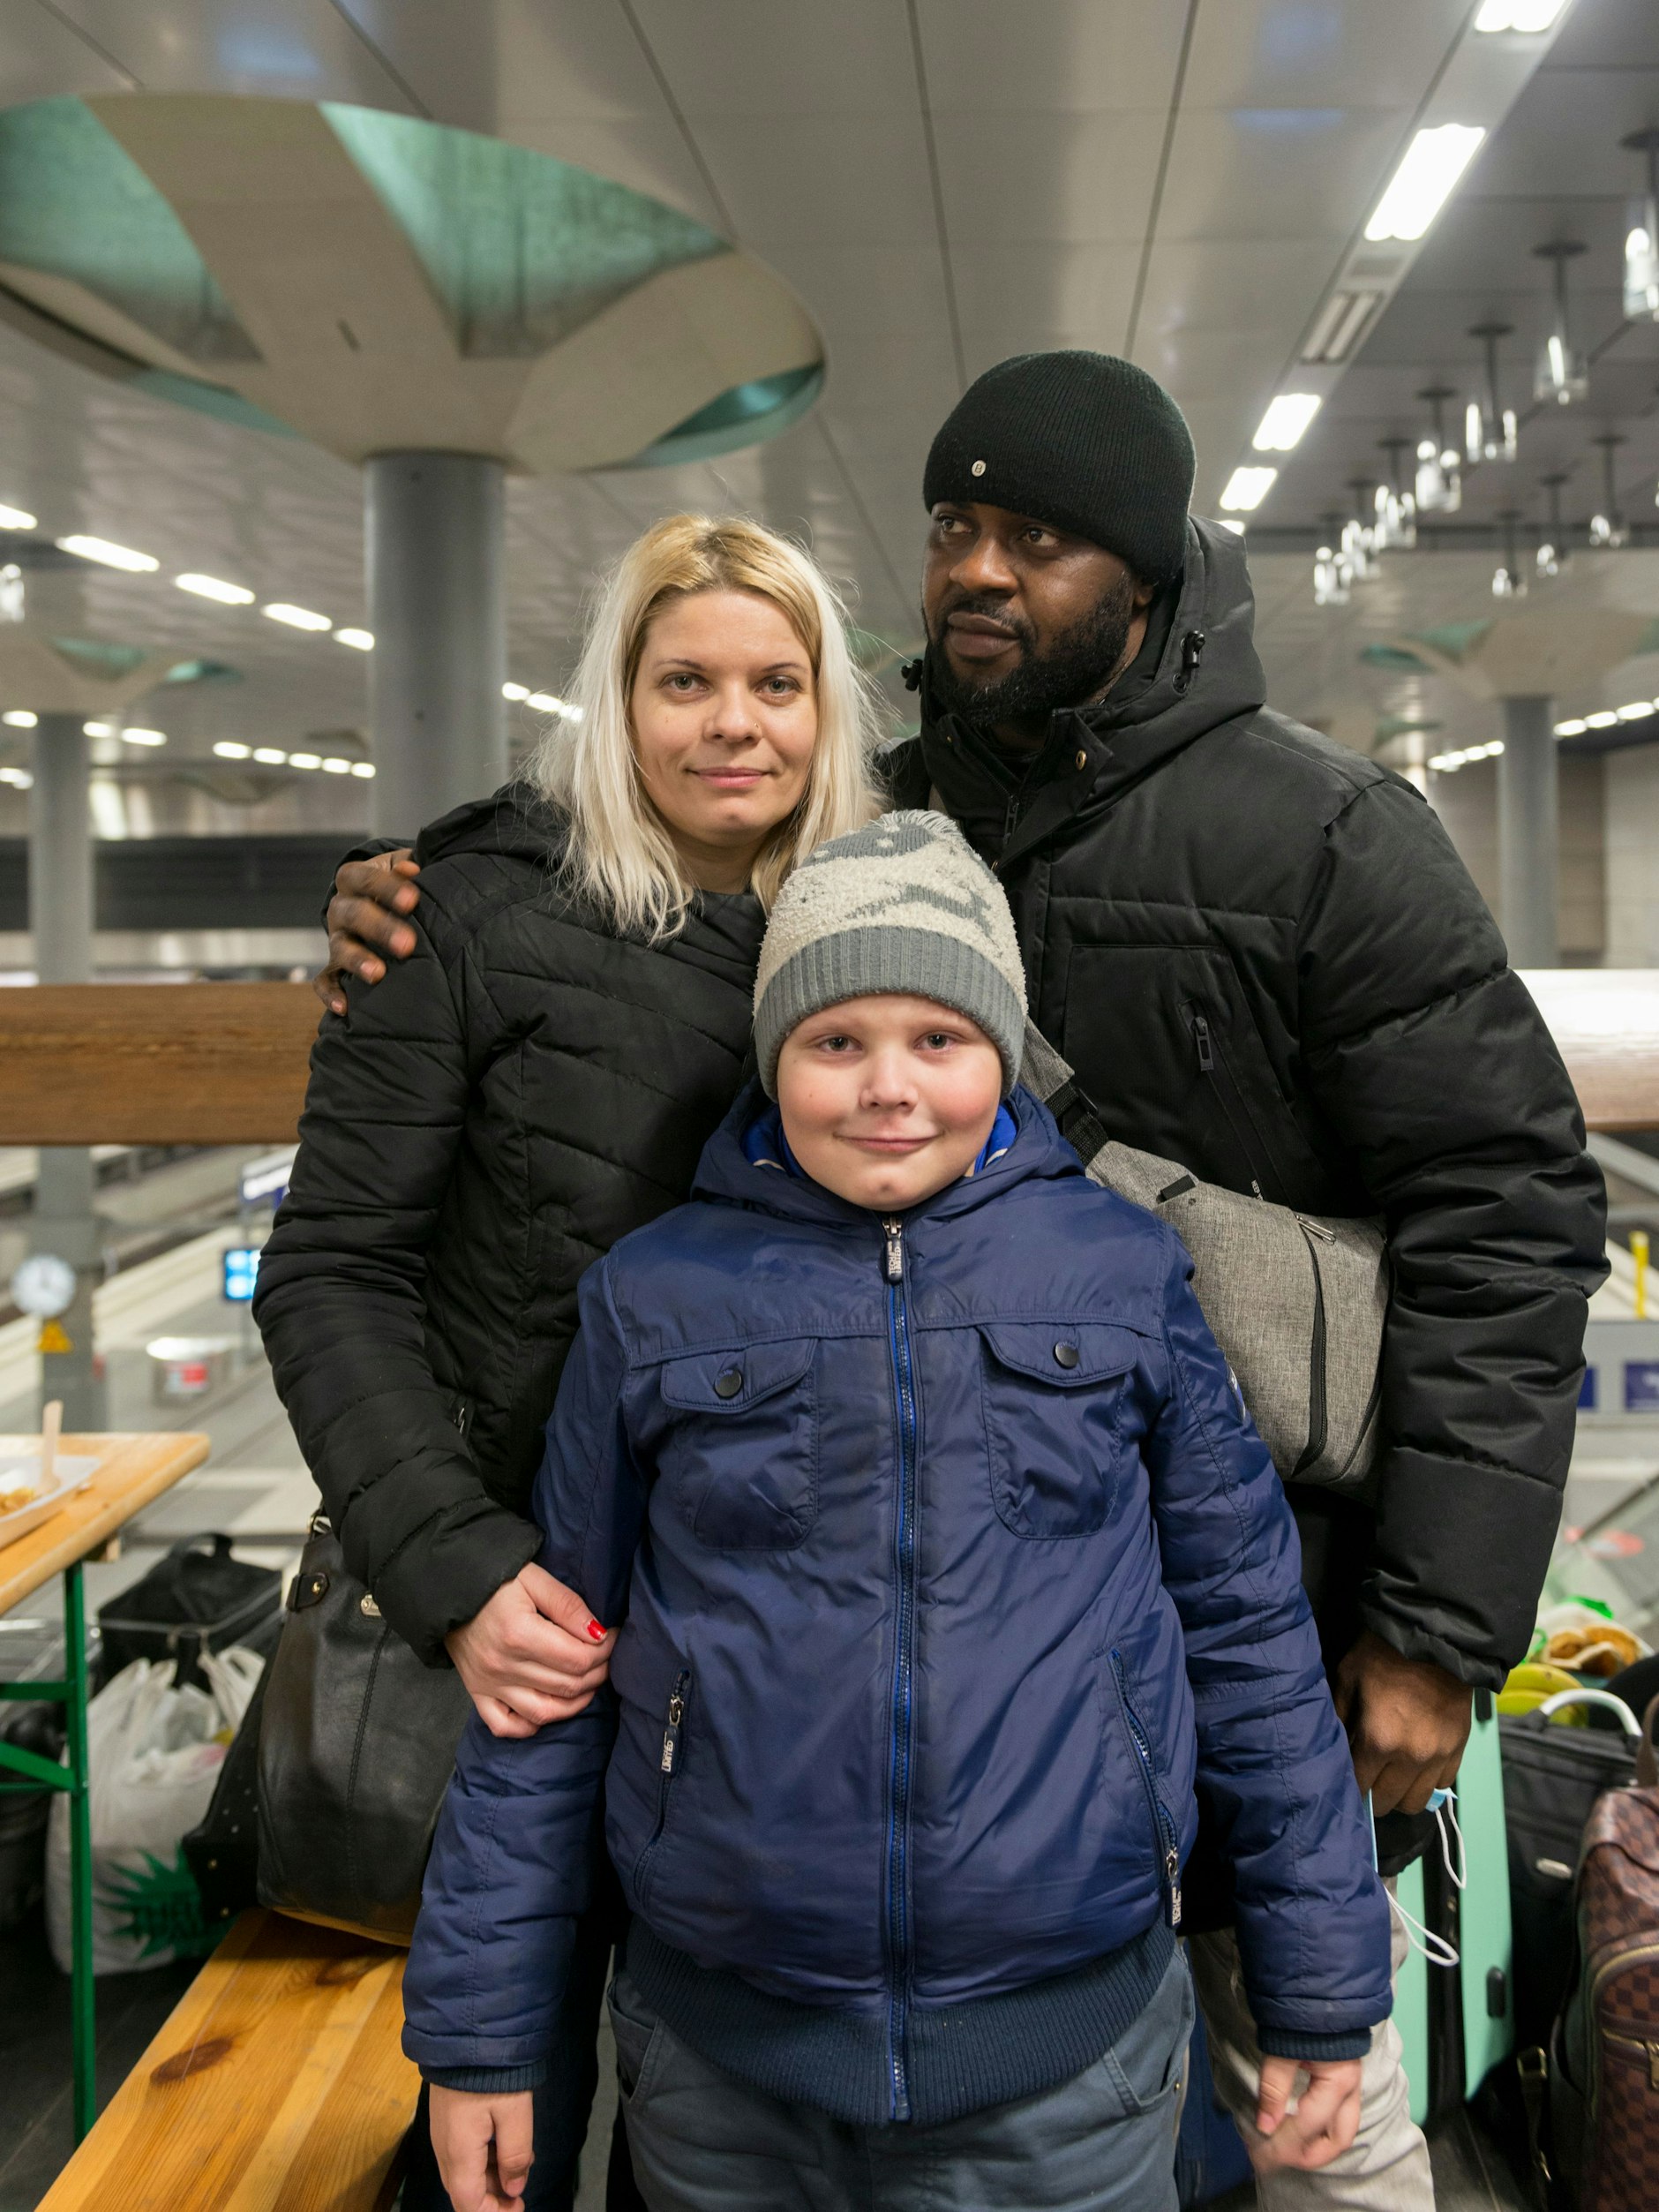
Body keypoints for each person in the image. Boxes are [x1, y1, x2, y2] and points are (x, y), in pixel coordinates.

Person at [319, 351, 1607, 2207]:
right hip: (866, 1703)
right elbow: (625, 854)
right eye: (953, 527)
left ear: (1150, 577)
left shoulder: (1321, 834)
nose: (981, 570)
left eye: (1045, 536)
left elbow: (1508, 1209)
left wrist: (1433, 1627)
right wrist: (400, 887)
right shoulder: (875, 816)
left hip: (1282, 1633)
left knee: (1318, 2117)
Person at [404, 813, 1394, 2212]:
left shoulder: (1122, 1271)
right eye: (834, 1041)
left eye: (938, 1037)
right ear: (773, 1057)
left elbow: (1249, 1638)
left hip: (1066, 2063)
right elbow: (549, 1682)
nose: (887, 1088)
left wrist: (1317, 1988)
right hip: (721, 2062)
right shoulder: (655, 1293)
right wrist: (482, 2029)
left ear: (1003, 1048)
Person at [253, 513, 887, 2210]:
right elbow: (330, 1273)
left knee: (724, 2137)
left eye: (776, 682)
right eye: (684, 680)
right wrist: (457, 1568)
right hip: (520, 1643)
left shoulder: (889, 940)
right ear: (618, 701)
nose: (732, 722)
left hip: (766, 1652)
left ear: (831, 714)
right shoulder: (459, 922)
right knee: (491, 2120)